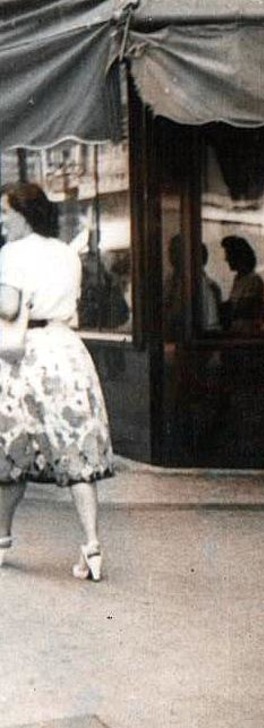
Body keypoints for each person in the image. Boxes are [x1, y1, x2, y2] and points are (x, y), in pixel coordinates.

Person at [0, 182, 114, 580]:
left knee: (12, 449)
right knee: (76, 450)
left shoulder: (11, 254)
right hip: (66, 350)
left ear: (22, 214)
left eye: (5, 213)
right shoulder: (67, 253)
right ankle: (92, 544)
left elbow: (10, 305)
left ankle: (2, 539)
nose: (2, 220)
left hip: (24, 354)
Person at [219, 236, 264, 332]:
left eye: (228, 254)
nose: (226, 259)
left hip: (246, 335)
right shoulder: (238, 279)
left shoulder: (254, 281)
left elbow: (243, 310)